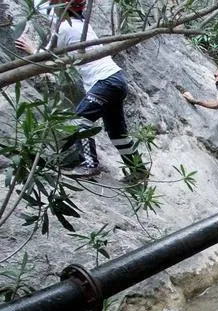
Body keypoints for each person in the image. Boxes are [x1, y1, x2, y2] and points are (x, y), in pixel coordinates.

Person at [14, 0, 148, 182]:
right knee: (117, 133)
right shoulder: (81, 24)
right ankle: (139, 171)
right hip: (116, 79)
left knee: (80, 121)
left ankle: (89, 165)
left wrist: (31, 49)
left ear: (62, 9)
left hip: (105, 82)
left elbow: (46, 58)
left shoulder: (64, 28)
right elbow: (46, 11)